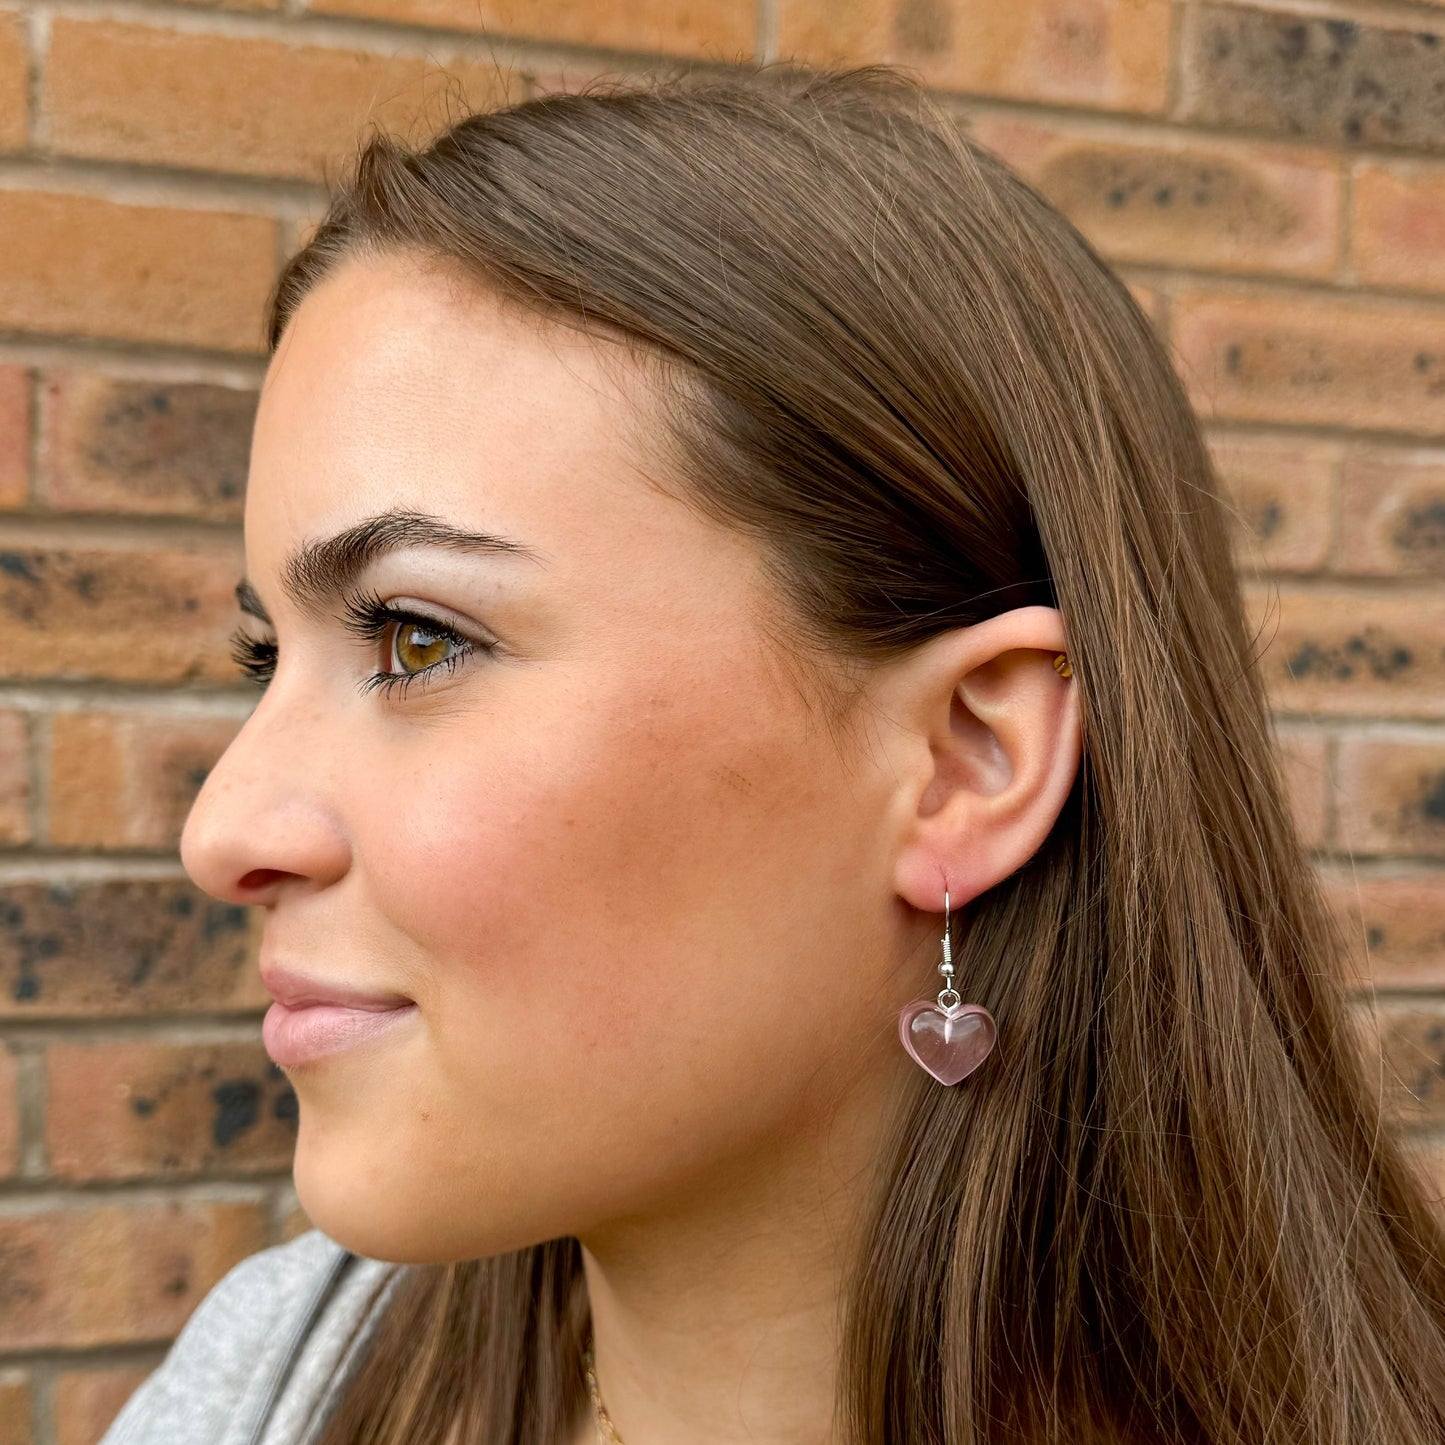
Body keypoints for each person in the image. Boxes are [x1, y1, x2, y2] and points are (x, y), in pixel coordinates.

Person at [100, 64, 1445, 1445]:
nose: (225, 829)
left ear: (964, 760)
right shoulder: (280, 1375)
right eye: (269, 657)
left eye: (418, 639)